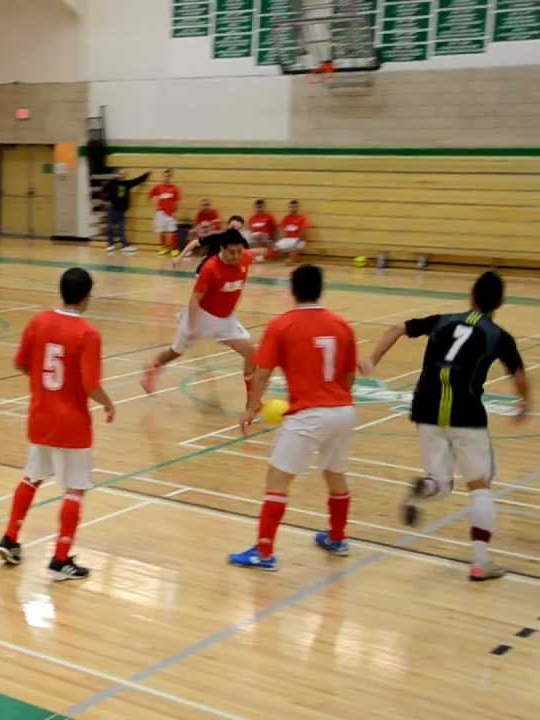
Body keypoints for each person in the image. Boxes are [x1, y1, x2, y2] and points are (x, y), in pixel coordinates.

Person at [362, 271, 530, 581]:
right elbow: (518, 376)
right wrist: (525, 403)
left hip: (425, 407)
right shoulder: (497, 336)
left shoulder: (443, 321)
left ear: (471, 296)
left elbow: (396, 328)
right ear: (501, 302)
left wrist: (372, 360)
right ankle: (480, 563)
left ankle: (424, 487)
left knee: (440, 483)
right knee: (479, 485)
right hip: (465, 413)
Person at [229, 265, 357, 571]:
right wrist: (335, 400)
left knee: (277, 478)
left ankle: (264, 552)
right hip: (343, 410)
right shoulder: (342, 324)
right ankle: (337, 538)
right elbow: (349, 375)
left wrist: (251, 408)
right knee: (334, 473)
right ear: (321, 288)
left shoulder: (282, 325)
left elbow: (262, 372)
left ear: (292, 289)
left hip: (309, 414)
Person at [0, 268, 114, 582]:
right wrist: (107, 402)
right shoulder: (88, 333)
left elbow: (21, 363)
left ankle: (10, 538)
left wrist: (43, 386)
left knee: (32, 477)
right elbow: (90, 383)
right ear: (87, 296)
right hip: (72, 422)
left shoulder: (39, 321)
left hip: (40, 415)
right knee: (74, 489)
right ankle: (61, 560)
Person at [143, 229, 256, 402]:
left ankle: (252, 400)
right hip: (201, 316)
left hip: (226, 319)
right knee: (176, 351)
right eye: (232, 252)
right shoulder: (210, 269)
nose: (236, 256)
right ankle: (153, 367)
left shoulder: (245, 258)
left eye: (239, 251)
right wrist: (194, 326)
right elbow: (195, 300)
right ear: (222, 249)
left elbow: (255, 253)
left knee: (251, 355)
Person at [176, 214, 249, 275]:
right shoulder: (217, 237)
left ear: (241, 229)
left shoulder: (242, 242)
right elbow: (194, 243)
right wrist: (179, 258)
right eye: (232, 227)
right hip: (206, 271)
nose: (234, 230)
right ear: (227, 225)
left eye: (237, 228)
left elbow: (246, 257)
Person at [101, 168, 150, 254]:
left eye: (124, 174)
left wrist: (146, 174)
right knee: (110, 227)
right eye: (120, 174)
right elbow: (103, 190)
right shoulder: (112, 182)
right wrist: (106, 201)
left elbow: (137, 180)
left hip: (122, 210)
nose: (122, 175)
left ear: (125, 176)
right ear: (118, 174)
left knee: (122, 228)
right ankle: (110, 245)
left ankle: (124, 246)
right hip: (113, 209)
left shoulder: (126, 184)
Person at [149, 169, 182, 256]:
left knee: (172, 231)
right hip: (160, 213)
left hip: (171, 214)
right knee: (162, 231)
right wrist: (155, 207)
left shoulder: (175, 189)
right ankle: (164, 248)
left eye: (169, 176)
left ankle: (175, 249)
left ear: (171, 177)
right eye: (165, 176)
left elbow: (177, 202)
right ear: (163, 176)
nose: (167, 177)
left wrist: (176, 212)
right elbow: (151, 195)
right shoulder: (158, 187)